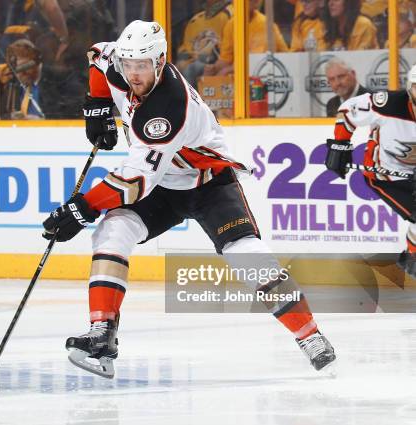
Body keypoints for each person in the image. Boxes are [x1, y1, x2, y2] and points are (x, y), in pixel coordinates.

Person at [41, 20, 336, 379]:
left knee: (245, 254)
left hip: (207, 183)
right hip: (163, 183)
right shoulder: (117, 60)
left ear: (161, 61)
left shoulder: (169, 108)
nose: (133, 74)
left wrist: (82, 209)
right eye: (128, 65)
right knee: (111, 232)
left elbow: (133, 182)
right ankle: (103, 333)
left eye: (142, 66)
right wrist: (97, 106)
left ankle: (310, 335)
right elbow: (96, 56)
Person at [325, 65, 416, 278]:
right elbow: (348, 110)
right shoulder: (387, 104)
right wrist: (340, 145)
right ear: (409, 88)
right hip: (386, 177)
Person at [0, 38, 83, 119]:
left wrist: (44, 121)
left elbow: (76, 111)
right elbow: (0, 115)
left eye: (24, 68)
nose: (20, 75)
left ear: (37, 63)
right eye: (16, 70)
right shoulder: (13, 83)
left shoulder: (62, 79)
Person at [206, 0, 288, 76]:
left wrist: (228, 70)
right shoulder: (231, 25)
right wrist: (214, 69)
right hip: (240, 74)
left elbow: (257, 61)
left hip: (265, 73)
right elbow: (226, 59)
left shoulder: (264, 23)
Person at [175, 0, 232, 87]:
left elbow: (227, 53)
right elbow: (185, 49)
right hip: (194, 61)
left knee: (191, 69)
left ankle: (190, 100)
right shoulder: (195, 20)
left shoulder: (231, 15)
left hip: (216, 64)